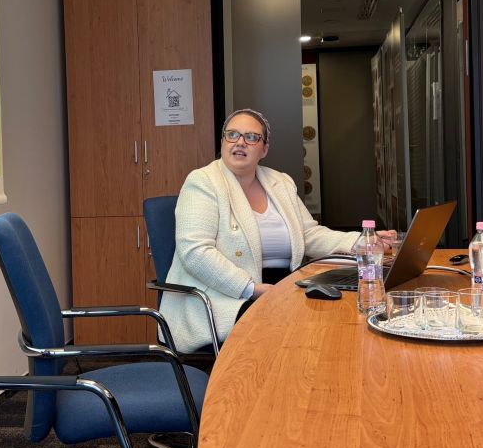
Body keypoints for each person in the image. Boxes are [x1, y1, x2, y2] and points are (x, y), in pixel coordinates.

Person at [160, 108, 395, 353]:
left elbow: (308, 235)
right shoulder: (203, 181)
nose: (240, 142)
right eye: (232, 134)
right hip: (225, 296)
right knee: (297, 336)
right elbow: (195, 252)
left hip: (284, 287)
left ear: (264, 149)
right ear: (222, 142)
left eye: (251, 137)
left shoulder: (280, 182)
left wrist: (362, 241)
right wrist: (251, 289)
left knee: (338, 316)